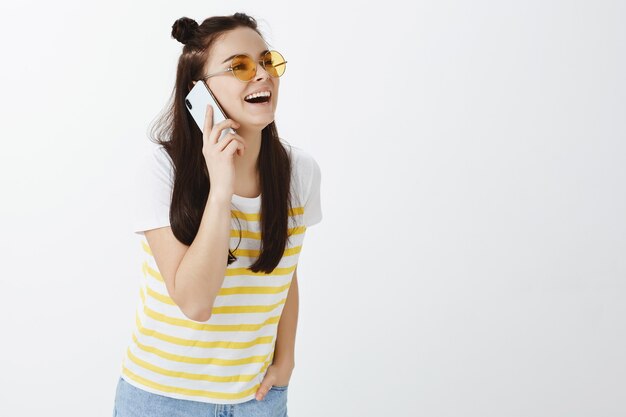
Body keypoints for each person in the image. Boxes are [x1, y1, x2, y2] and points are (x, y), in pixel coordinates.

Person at [111, 12, 322, 417]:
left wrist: (287, 360)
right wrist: (221, 189)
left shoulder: (300, 172)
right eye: (239, 66)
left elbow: (284, 276)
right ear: (198, 94)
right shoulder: (162, 171)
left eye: (267, 61)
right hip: (161, 399)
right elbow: (195, 303)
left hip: (257, 399)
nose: (261, 75)